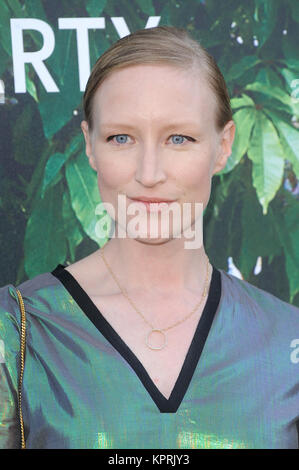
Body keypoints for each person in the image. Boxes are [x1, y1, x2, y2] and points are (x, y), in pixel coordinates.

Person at [0, 25, 299, 450]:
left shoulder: (288, 340)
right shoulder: (18, 330)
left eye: (179, 138)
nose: (149, 173)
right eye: (121, 138)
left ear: (223, 145)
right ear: (89, 145)